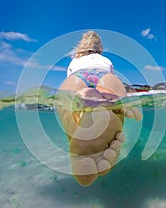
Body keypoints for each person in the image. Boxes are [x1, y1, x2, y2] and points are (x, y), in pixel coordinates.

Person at [57, 30, 142, 186]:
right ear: (100, 48)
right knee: (112, 99)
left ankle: (78, 119)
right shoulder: (105, 60)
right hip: (105, 76)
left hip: (78, 76)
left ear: (80, 47)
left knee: (67, 106)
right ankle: (108, 111)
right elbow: (110, 74)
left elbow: (68, 79)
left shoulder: (74, 62)